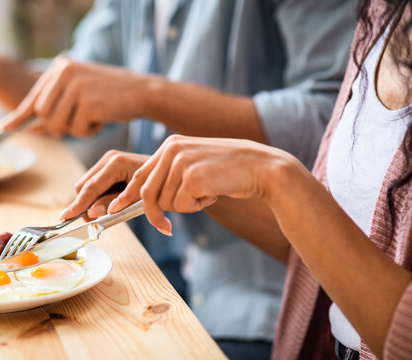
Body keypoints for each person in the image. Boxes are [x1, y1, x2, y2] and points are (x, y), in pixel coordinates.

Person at [0, 1, 356, 357]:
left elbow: (330, 121)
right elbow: (82, 93)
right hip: (145, 264)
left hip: (256, 303)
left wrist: (149, 95)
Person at [61, 0, 412, 359]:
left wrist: (275, 178)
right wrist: (201, 180)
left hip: (252, 308)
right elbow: (334, 248)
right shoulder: (381, 14)